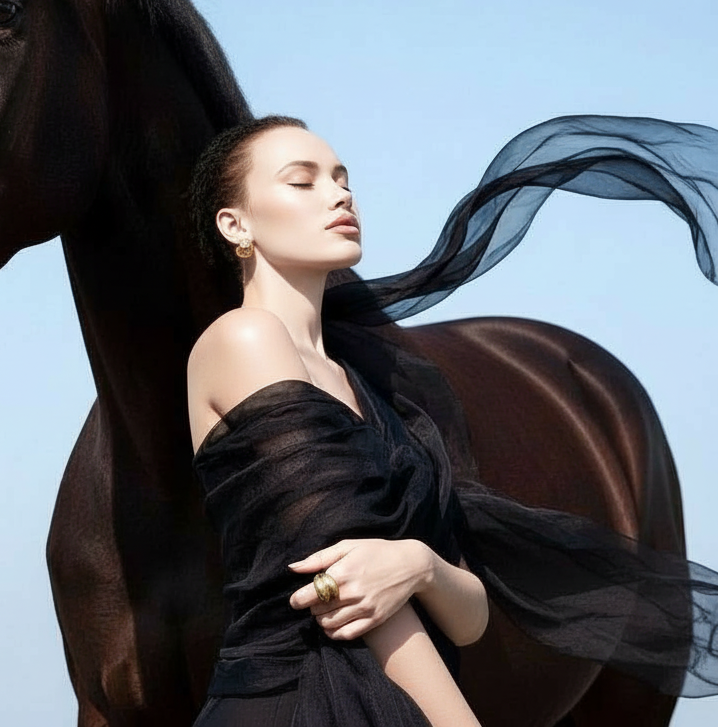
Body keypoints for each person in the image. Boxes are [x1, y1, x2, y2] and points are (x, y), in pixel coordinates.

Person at [184, 113, 718, 726]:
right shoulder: (243, 339)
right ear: (236, 224)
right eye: (302, 182)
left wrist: (420, 564)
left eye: (342, 178)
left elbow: (471, 616)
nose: (339, 194)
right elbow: (347, 591)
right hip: (296, 704)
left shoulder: (365, 388)